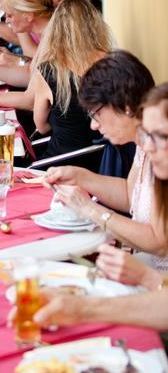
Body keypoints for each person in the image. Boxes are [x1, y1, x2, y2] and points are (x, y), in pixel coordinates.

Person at [43, 51, 168, 268]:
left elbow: (159, 241)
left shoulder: (161, 153)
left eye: (96, 114)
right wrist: (81, 177)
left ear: (126, 107)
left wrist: (90, 209)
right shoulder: (144, 147)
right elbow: (132, 195)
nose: (94, 125)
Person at [28, 0, 113, 164]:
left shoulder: (48, 71)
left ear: (56, 29)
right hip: (101, 162)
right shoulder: (112, 63)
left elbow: (42, 127)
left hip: (59, 164)